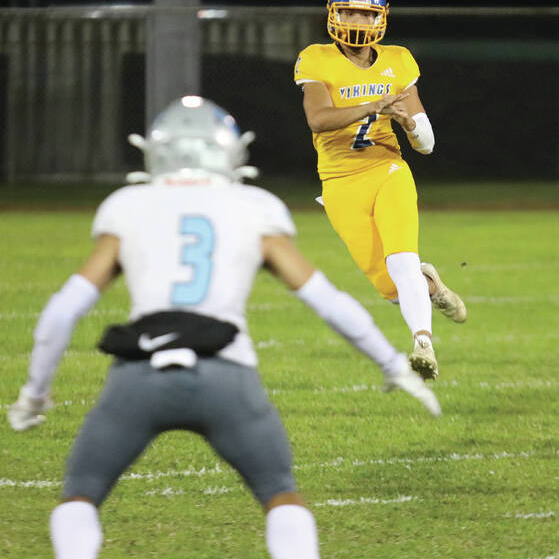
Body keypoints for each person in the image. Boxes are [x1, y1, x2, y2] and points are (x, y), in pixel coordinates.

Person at [8, 96, 440, 559]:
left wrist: (34, 396)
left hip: (139, 375)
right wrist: (391, 364)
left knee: (78, 499)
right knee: (282, 497)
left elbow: (62, 312)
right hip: (226, 375)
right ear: (230, 151)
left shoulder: (128, 206)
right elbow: (328, 302)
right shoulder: (254, 207)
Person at [294, 0, 467, 381]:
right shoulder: (316, 58)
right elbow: (318, 119)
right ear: (334, 15)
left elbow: (427, 145)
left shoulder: (398, 60)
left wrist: (408, 123)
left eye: (365, 14)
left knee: (402, 260)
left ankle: (423, 344)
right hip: (339, 182)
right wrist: (373, 106)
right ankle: (432, 288)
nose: (357, 21)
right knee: (391, 289)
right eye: (349, 12)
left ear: (381, 18)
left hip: (387, 169)